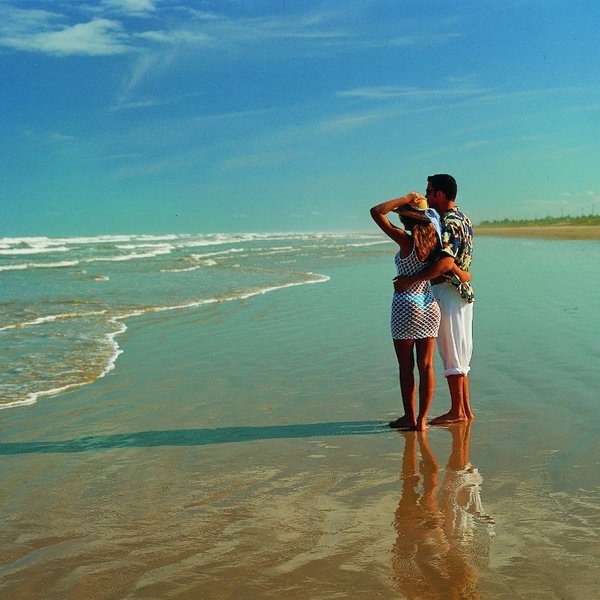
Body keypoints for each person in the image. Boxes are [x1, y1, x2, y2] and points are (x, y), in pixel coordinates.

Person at [370, 192, 470, 431]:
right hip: (429, 305)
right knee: (426, 365)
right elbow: (460, 272)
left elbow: (376, 212)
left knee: (406, 367)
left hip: (406, 304)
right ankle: (423, 420)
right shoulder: (435, 244)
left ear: (407, 220)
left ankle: (409, 417)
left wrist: (404, 198)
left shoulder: (405, 241)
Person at [394, 174, 475, 425]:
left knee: (452, 355)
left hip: (449, 291)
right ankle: (464, 410)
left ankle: (457, 411)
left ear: (440, 194)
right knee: (460, 355)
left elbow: (446, 262)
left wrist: (412, 279)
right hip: (460, 291)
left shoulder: (449, 221)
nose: (427, 196)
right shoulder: (463, 218)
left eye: (429, 192)